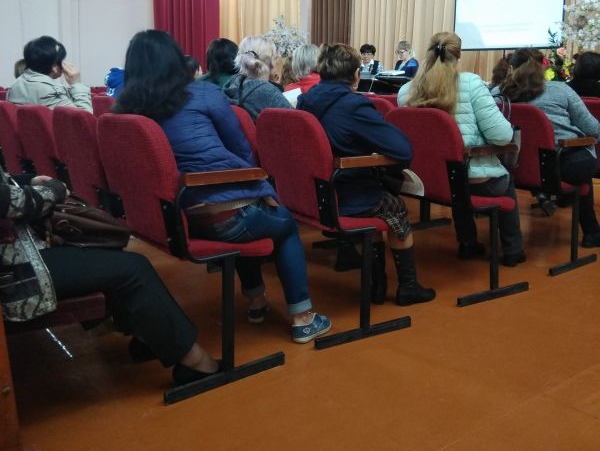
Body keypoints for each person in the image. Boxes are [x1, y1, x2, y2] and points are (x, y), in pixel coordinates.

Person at [114, 30, 331, 344]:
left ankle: (257, 301)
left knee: (249, 215)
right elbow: (241, 148)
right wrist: (256, 179)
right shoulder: (202, 94)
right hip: (222, 213)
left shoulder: (125, 111)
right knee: (283, 225)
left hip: (176, 217)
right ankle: (303, 318)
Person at [0, 168, 220, 386]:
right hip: (15, 271)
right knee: (134, 269)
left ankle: (149, 338)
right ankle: (195, 363)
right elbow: (7, 202)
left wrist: (27, 180)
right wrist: (54, 190)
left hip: (18, 253)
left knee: (109, 253)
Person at [297, 43, 435, 306]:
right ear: (356, 75)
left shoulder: (305, 102)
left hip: (315, 195)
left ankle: (376, 284)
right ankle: (408, 286)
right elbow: (402, 150)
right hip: (347, 195)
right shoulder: (353, 106)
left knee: (377, 200)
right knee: (394, 206)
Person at [399, 32, 525, 266]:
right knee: (503, 179)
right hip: (471, 178)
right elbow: (502, 136)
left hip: (428, 177)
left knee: (455, 174)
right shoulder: (471, 84)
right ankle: (513, 250)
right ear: (458, 55)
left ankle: (468, 241)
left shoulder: (407, 90)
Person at [496, 47, 600, 247]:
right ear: (542, 67)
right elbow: (593, 129)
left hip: (516, 167)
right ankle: (591, 232)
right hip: (559, 167)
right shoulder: (560, 90)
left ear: (512, 67)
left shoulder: (498, 94)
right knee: (582, 160)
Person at [8, 36, 92, 112]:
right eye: (62, 60)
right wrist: (76, 84)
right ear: (54, 66)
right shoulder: (50, 91)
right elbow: (84, 119)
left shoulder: (15, 86)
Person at [223, 36, 293, 121]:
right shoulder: (267, 91)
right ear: (271, 61)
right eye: (275, 58)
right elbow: (298, 121)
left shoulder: (232, 84)